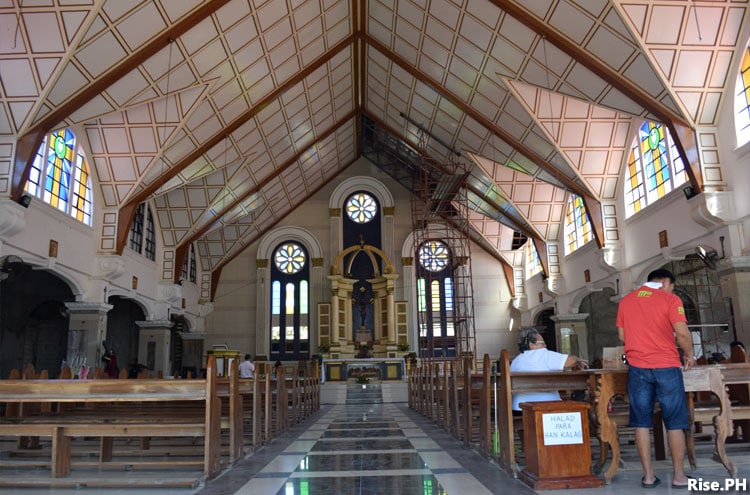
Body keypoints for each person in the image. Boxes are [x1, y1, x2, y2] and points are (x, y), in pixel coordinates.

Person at [616, 268, 696, 489]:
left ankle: (648, 476)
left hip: (638, 369)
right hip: (667, 367)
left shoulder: (626, 301)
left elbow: (623, 336)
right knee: (674, 422)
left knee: (641, 422)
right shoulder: (670, 299)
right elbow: (682, 332)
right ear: (666, 282)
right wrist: (689, 355)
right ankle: (679, 477)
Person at [509, 328, 589, 414]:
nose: (545, 346)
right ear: (531, 344)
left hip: (518, 407)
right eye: (542, 343)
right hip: (546, 406)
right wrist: (577, 360)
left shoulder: (516, 361)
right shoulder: (543, 354)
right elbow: (571, 361)